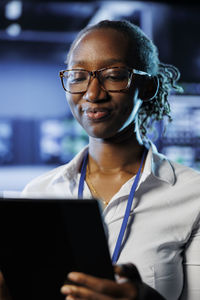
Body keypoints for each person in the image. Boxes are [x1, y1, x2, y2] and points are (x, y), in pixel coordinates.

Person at [1, 19, 200, 300]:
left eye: (114, 74)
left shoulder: (193, 195)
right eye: (78, 76)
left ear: (147, 87)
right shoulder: (38, 193)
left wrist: (146, 298)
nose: (93, 94)